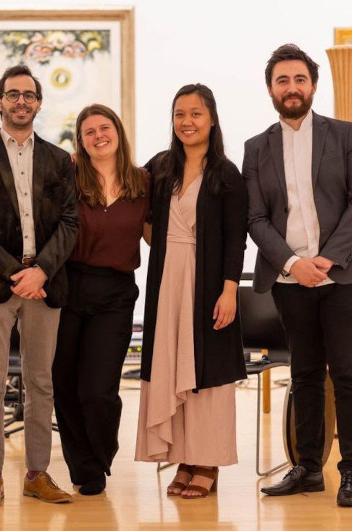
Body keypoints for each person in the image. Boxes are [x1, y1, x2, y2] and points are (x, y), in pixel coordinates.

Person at [0, 103, 150, 496]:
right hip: (68, 285)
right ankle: (84, 469)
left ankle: (100, 453)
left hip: (116, 294)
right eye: (89, 132)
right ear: (80, 141)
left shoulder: (143, 181)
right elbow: (23, 169)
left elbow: (157, 232)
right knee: (63, 384)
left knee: (99, 390)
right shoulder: (67, 172)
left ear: (118, 132)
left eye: (105, 128)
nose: (99, 136)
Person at [243, 43, 352, 507]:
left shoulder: (344, 135)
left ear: (313, 86)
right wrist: (292, 263)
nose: (292, 87)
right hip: (289, 279)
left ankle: (351, 472)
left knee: (349, 375)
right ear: (270, 89)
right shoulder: (256, 148)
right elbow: (255, 217)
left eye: (300, 79)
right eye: (282, 80)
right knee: (303, 375)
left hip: (345, 277)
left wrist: (327, 259)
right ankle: (308, 467)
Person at [0, 65, 78, 508]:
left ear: (39, 103)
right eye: (13, 94)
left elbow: (70, 223)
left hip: (45, 283)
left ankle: (37, 474)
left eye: (29, 95)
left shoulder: (59, 160)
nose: (21, 101)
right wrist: (16, 274)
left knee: (40, 382)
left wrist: (41, 271)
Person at [135, 84, 248, 499]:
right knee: (171, 364)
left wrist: (230, 291)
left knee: (206, 371)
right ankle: (183, 457)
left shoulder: (227, 173)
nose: (187, 122)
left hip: (210, 283)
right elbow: (121, 188)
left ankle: (207, 461)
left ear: (212, 119)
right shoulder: (160, 166)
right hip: (167, 281)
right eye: (180, 114)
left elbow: (236, 238)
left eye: (196, 114)